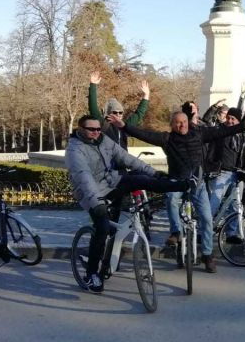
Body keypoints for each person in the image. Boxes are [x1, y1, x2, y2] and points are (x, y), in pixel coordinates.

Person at [108, 109, 245, 273]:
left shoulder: (199, 134)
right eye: (177, 122)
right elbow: (145, 134)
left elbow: (222, 131)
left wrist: (243, 126)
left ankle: (207, 254)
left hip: (197, 184)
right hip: (176, 182)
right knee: (171, 198)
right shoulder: (167, 138)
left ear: (189, 123)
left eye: (184, 122)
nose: (181, 125)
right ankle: (176, 232)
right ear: (172, 125)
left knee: (206, 219)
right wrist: (124, 126)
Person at [66, 115, 193, 293]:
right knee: (102, 228)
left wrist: (154, 173)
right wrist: (97, 203)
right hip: (90, 194)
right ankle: (91, 274)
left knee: (138, 179)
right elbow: (84, 177)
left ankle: (177, 185)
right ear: (80, 129)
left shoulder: (104, 140)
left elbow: (127, 158)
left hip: (111, 184)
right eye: (91, 129)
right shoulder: (75, 150)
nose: (96, 132)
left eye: (98, 129)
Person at [204, 107, 245, 243]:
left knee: (235, 205)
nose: (230, 121)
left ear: (238, 121)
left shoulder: (242, 135)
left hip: (236, 174)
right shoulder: (220, 131)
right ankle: (204, 231)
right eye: (228, 118)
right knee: (214, 203)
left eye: (233, 119)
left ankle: (231, 233)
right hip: (220, 172)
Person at [88, 71, 149, 150]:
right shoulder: (103, 125)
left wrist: (146, 95)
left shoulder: (125, 126)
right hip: (107, 161)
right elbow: (93, 109)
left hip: (122, 161)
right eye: (115, 112)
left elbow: (139, 114)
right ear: (108, 113)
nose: (118, 114)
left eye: (120, 112)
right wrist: (93, 85)